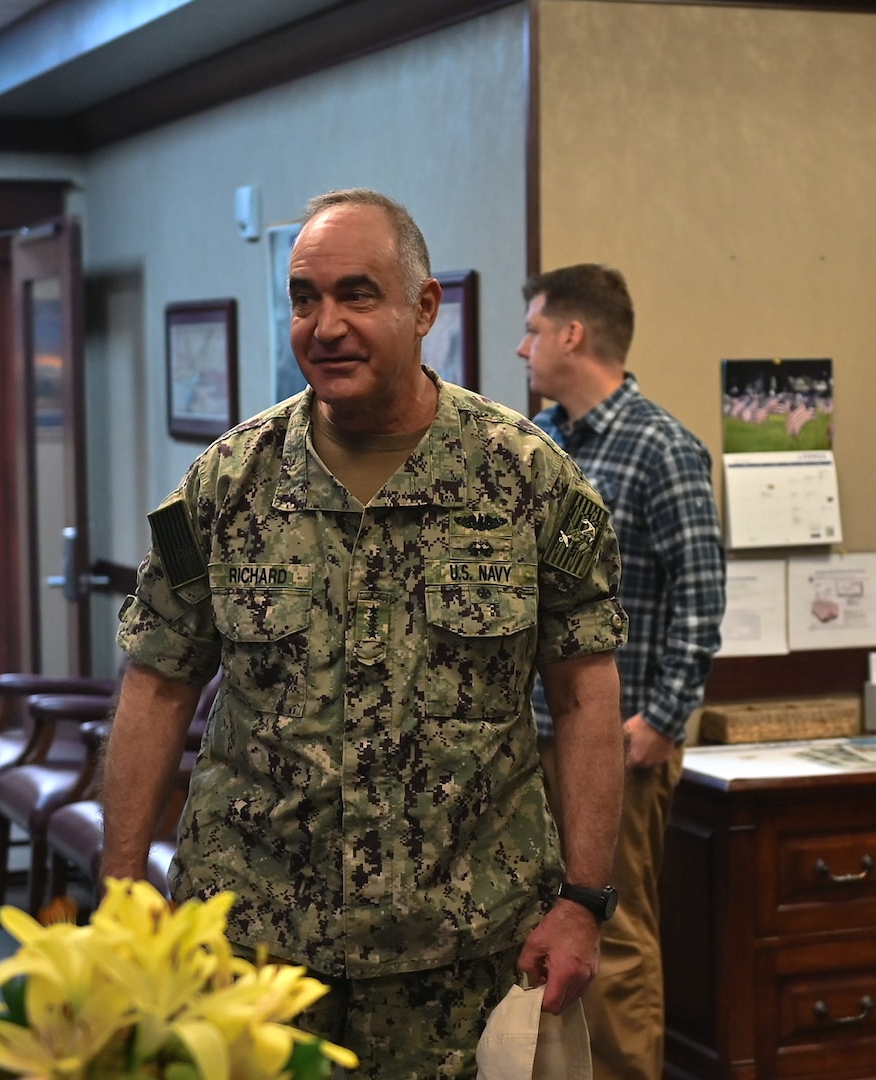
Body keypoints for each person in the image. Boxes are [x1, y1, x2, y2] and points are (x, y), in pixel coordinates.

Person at [100, 188, 629, 1080]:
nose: (325, 324)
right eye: (305, 298)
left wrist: (582, 900)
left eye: (357, 295)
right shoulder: (228, 484)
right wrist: (121, 890)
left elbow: (585, 698)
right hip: (257, 951)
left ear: (424, 308)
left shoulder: (527, 479)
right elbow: (157, 684)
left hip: (460, 951)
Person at [516, 264, 726, 1079]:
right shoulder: (539, 442)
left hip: (620, 737)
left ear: (574, 335)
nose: (523, 345)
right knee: (538, 926)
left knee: (615, 929)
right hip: (530, 734)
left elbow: (701, 596)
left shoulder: (662, 446)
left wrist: (665, 719)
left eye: (534, 328)